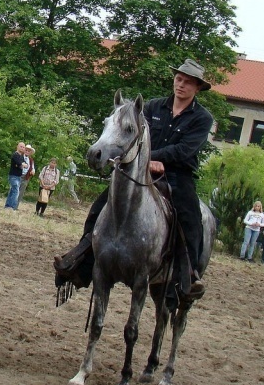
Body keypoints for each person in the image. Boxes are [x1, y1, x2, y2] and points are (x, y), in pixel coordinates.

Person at [55, 58, 214, 301]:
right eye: (179, 79)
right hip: (141, 169)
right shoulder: (151, 107)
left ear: (198, 87)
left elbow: (185, 149)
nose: (181, 85)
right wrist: (146, 160)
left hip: (177, 174)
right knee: (100, 207)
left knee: (191, 216)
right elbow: (134, 138)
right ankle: (81, 262)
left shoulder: (202, 118)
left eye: (188, 82)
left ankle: (187, 276)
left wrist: (156, 158)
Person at [4, 142, 27, 210]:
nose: (22, 148)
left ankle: (7, 206)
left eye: (23, 147)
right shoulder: (15, 155)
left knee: (12, 191)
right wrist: (21, 165)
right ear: (17, 147)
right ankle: (12, 207)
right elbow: (19, 163)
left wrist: (22, 165)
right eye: (21, 146)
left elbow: (25, 165)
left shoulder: (21, 156)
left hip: (18, 176)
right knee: (16, 191)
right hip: (13, 176)